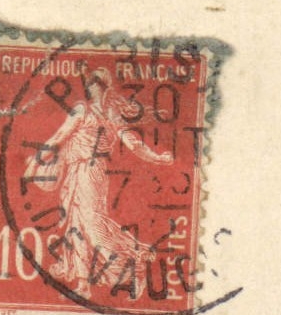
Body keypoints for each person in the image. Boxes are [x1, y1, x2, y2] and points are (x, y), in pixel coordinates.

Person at [22, 67, 175, 299]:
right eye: (91, 84)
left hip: (91, 172)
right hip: (76, 172)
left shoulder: (101, 113)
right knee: (76, 227)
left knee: (93, 228)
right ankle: (84, 285)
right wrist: (37, 160)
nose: (93, 88)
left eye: (97, 84)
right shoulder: (90, 111)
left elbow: (132, 143)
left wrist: (157, 158)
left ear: (103, 88)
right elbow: (59, 137)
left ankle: (136, 260)